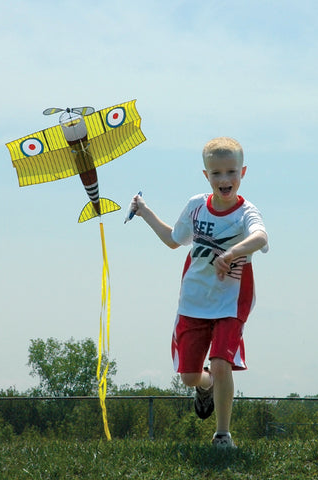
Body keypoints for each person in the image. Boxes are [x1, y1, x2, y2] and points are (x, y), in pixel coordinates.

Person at [130, 137, 268, 448]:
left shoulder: (245, 212)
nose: (224, 179)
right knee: (191, 377)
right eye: (216, 173)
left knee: (221, 363)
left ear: (242, 172)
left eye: (231, 172)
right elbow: (173, 239)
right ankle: (204, 387)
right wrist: (145, 212)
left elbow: (260, 237)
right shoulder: (195, 207)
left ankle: (222, 436)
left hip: (231, 300)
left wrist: (231, 253)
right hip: (194, 300)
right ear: (206, 176)